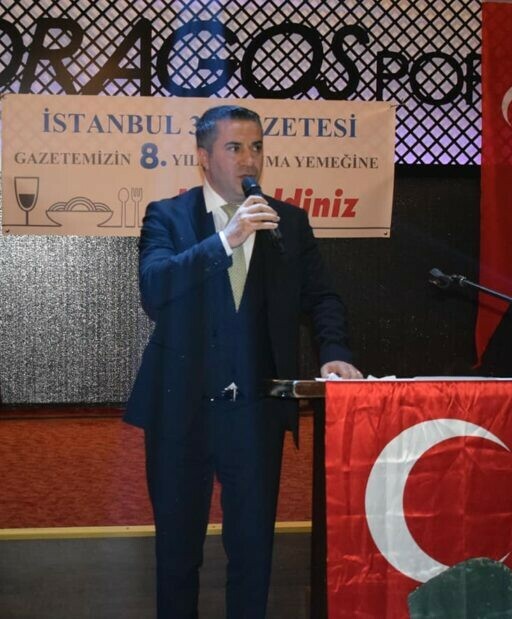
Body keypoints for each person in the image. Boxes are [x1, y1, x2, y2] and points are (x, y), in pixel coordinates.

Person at [124, 104, 361, 618]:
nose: (249, 159)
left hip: (256, 411)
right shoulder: (168, 216)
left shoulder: (288, 223)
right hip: (179, 412)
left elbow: (323, 298)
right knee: (177, 554)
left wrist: (335, 353)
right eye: (234, 148)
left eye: (256, 147)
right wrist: (226, 240)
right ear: (204, 157)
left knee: (253, 554)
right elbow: (154, 288)